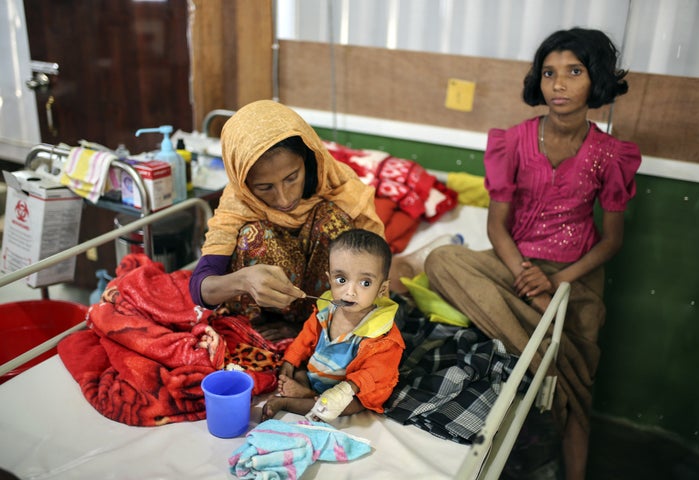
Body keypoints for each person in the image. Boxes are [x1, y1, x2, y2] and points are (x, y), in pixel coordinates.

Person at [424, 28, 641, 479]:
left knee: (580, 384)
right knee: (440, 260)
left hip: (574, 273)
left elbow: (612, 240)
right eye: (549, 73)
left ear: (595, 79)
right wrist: (526, 276)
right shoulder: (515, 141)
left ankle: (569, 428)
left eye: (573, 72)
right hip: (513, 265)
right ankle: (548, 351)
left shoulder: (610, 155)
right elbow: (496, 226)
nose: (558, 84)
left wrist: (558, 282)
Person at [189, 100, 385, 342]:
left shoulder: (338, 185)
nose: (283, 198)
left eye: (292, 177)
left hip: (326, 316)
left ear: (307, 159)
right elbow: (201, 286)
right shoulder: (238, 203)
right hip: (264, 323)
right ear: (244, 183)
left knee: (337, 223)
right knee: (253, 235)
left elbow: (372, 268)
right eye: (264, 187)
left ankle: (318, 327)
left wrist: (306, 329)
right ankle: (260, 327)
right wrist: (243, 280)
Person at [261, 229, 405, 422]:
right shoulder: (326, 309)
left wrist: (344, 391)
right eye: (342, 280)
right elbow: (307, 336)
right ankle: (306, 390)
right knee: (300, 371)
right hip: (316, 374)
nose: (350, 292)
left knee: (350, 406)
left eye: (365, 282)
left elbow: (375, 372)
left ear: (382, 289)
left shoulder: (382, 335)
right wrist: (290, 360)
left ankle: (285, 403)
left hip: (348, 390)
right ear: (329, 279)